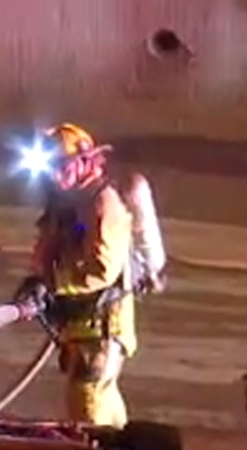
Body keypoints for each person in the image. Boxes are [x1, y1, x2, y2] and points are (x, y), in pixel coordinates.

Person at [12, 123, 165, 427]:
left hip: (103, 325)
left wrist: (52, 284)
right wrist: (39, 279)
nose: (54, 176)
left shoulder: (101, 204)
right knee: (99, 396)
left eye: (61, 167)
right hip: (83, 324)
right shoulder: (69, 203)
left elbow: (101, 270)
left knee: (88, 400)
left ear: (86, 162)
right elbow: (51, 248)